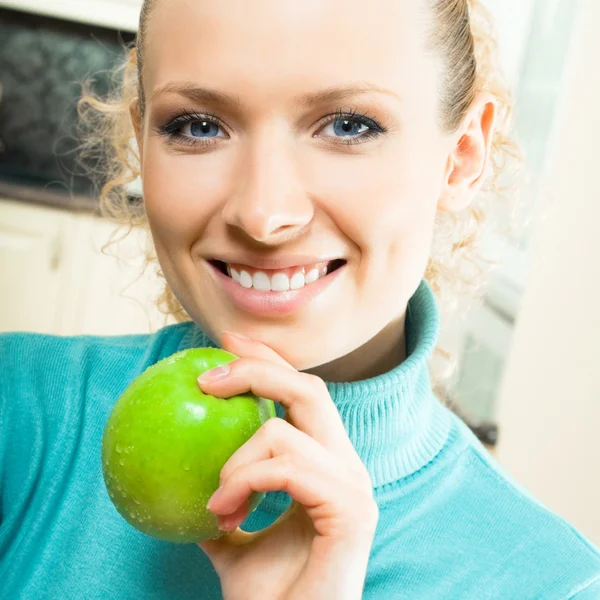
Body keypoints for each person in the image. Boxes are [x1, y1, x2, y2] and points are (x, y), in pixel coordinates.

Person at [1, 0, 599, 598]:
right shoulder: (19, 411)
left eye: (348, 125)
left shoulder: (552, 583)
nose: (263, 215)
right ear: (142, 143)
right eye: (199, 126)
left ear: (462, 158)